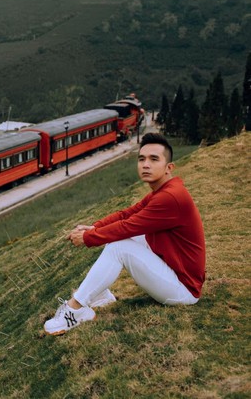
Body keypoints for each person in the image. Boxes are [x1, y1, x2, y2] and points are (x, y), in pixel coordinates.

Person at [44, 133, 206, 335]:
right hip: (174, 271)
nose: (145, 164)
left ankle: (75, 310)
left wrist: (88, 238)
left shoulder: (170, 197)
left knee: (119, 246)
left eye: (154, 159)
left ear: (169, 167)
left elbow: (128, 226)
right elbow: (127, 214)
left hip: (184, 290)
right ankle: (99, 295)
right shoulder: (164, 191)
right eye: (141, 159)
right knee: (117, 239)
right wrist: (94, 228)